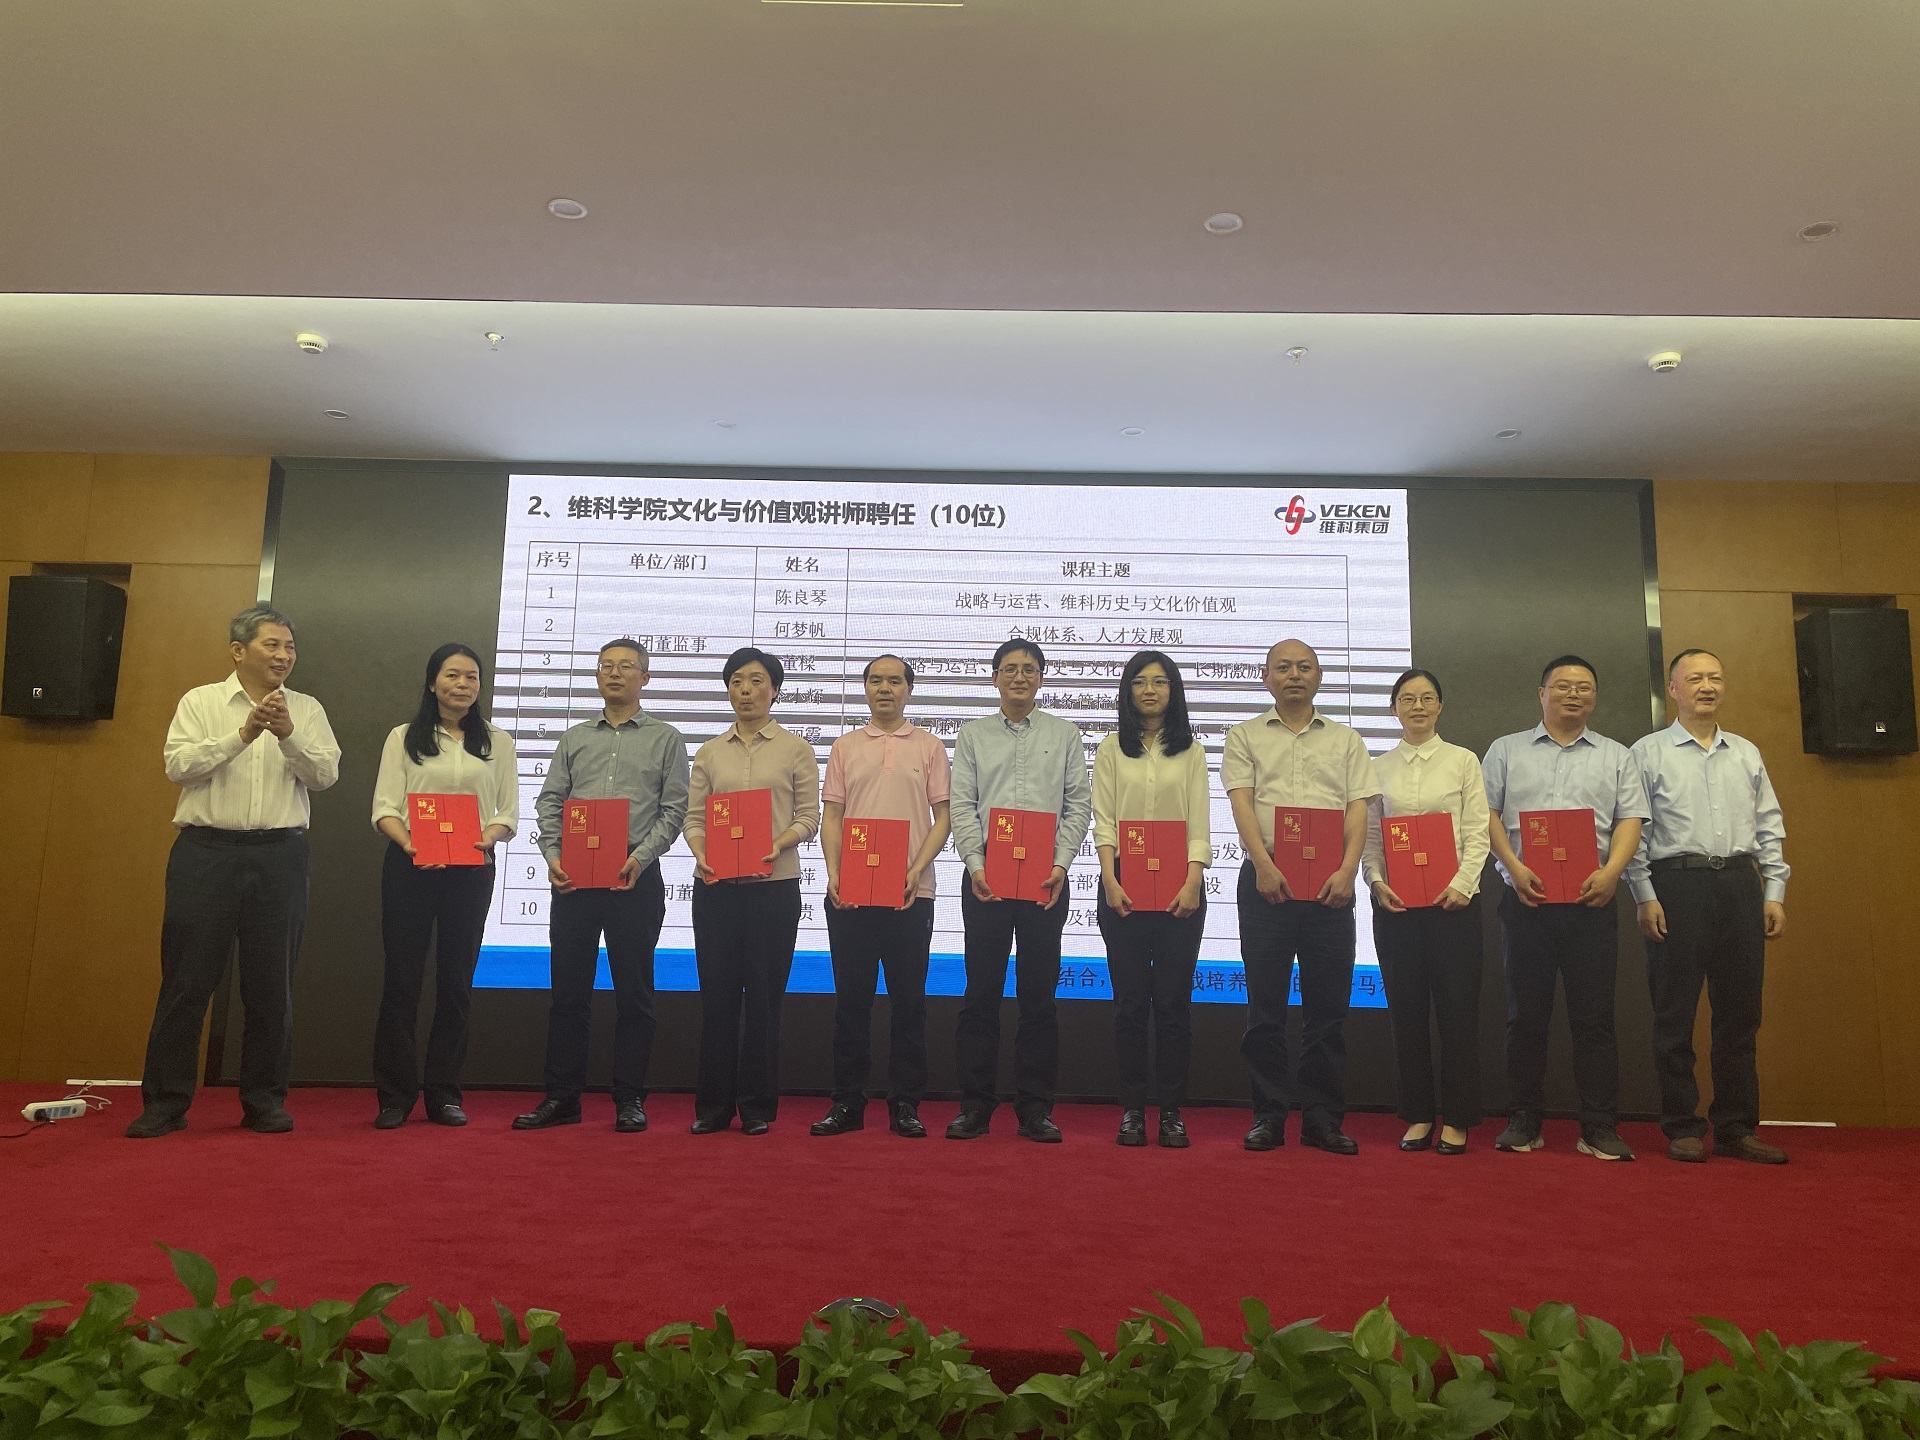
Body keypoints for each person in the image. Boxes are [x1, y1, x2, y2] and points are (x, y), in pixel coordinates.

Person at [125, 607, 340, 1139]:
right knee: (186, 982)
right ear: (238, 650)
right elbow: (179, 767)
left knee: (271, 986)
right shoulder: (200, 702)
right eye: (273, 645)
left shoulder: (306, 709)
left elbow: (326, 775)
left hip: (280, 855)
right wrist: (242, 734)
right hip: (206, 853)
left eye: (290, 646)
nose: (284, 656)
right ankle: (165, 1104)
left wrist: (288, 736)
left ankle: (264, 1101)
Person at [516, 639, 688, 1133]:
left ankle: (630, 1098)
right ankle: (562, 1097)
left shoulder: (666, 739)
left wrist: (640, 857)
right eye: (606, 666)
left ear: (645, 678)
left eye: (626, 667)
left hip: (634, 879)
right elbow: (551, 801)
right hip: (574, 881)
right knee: (568, 994)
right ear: (596, 675)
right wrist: (552, 856)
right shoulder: (575, 738)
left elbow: (674, 808)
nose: (615, 673)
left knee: (634, 994)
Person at [1483, 654, 1649, 1161]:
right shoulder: (1506, 750)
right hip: (1525, 900)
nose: (1574, 694)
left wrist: (1612, 872)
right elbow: (1485, 813)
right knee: (1524, 1017)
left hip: (1591, 900)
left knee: (1595, 1019)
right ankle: (1523, 1119)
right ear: (1542, 693)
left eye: (1584, 687)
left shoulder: (1617, 756)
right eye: (1562, 686)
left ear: (1595, 697)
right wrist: (1513, 866)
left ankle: (1598, 1126)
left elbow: (1630, 819)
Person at [1628, 648, 1790, 1164]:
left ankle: (1737, 1128)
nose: (1707, 686)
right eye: (1694, 678)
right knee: (1674, 1013)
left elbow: (1769, 825)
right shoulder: (1648, 752)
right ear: (1673, 689)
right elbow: (1632, 832)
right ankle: (1682, 1126)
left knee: (1740, 1015)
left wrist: (1774, 891)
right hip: (1677, 885)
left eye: (1715, 677)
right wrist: (1645, 895)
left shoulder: (1745, 752)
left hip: (1741, 885)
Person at [1224, 639, 1381, 1155]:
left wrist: (1348, 870)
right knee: (1264, 1008)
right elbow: (1242, 805)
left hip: (1330, 884)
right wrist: (1263, 866)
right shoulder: (1244, 736)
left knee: (1327, 1011)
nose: (1294, 675)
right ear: (1265, 677)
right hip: (1266, 882)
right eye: (1284, 667)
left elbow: (1358, 809)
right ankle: (1268, 1116)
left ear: (1319, 677)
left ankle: (1322, 1120)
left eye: (1304, 667)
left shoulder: (1347, 740)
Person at [368, 644, 519, 1129]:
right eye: (452, 675)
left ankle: (444, 1094)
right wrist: (411, 845)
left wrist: (485, 839)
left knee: (456, 983)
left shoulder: (497, 741)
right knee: (402, 981)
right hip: (410, 866)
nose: (462, 684)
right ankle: (394, 1097)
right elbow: (385, 807)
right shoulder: (403, 737)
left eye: (471, 677)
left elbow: (507, 812)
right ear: (433, 683)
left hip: (470, 871)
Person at [947, 639, 1092, 1143]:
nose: (1019, 676)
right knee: (979, 997)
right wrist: (975, 864)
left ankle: (1035, 1109)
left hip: (1044, 883)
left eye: (1029, 669)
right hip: (985, 880)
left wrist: (1061, 864)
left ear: (1041, 678)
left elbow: (1078, 806)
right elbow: (962, 805)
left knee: (1039, 999)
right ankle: (975, 1107)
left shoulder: (1065, 734)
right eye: (1009, 669)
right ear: (994, 678)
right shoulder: (973, 735)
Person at [813, 654, 952, 1139]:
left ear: (909, 690)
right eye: (876, 680)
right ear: (866, 688)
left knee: (909, 1002)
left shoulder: (929, 746)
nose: (885, 688)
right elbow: (832, 817)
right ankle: (847, 1103)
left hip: (911, 893)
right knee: (851, 1002)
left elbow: (944, 819)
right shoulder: (845, 746)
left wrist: (916, 870)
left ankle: (905, 1104)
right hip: (851, 893)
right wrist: (834, 872)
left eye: (895, 681)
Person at [684, 647, 819, 1136]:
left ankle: (757, 1107)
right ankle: (713, 1107)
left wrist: (776, 845)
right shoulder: (709, 752)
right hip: (716, 887)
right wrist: (701, 852)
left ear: (775, 690)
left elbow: (809, 817)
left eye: (757, 681)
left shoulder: (795, 748)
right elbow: (694, 819)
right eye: (737, 681)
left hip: (773, 888)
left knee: (763, 999)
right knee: (717, 997)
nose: (746, 690)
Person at [1360, 669, 1492, 1155]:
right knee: (1407, 1015)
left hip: (1454, 907)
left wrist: (1462, 885)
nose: (1418, 706)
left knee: (1458, 1016)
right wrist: (1376, 882)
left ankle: (1457, 1118)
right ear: (1393, 708)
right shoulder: (1376, 768)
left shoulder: (1462, 761)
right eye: (1408, 698)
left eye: (1427, 698)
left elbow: (1476, 831)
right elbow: (1371, 838)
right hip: (1397, 909)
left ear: (1440, 707)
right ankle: (1417, 1114)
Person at [1093, 650, 1211, 1148]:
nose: (1149, 690)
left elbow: (1199, 822)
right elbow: (1104, 821)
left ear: (1173, 690)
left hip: (1181, 887)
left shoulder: (1191, 751)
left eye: (1160, 681)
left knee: (1172, 1003)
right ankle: (1132, 1109)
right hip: (1122, 885)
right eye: (1140, 681)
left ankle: (1171, 1110)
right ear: (1127, 691)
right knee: (1129, 1002)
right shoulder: (1110, 748)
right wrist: (1109, 879)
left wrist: (1193, 881)